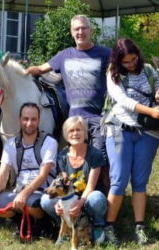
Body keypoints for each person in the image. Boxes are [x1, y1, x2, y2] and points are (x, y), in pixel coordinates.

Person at [26, 14, 111, 177]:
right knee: (77, 161)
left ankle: (101, 197)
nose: (80, 32)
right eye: (76, 29)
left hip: (97, 118)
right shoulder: (64, 55)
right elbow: (41, 69)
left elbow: (125, 63)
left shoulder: (105, 53)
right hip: (74, 118)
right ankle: (77, 195)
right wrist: (24, 71)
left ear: (90, 30)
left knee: (101, 161)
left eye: (84, 28)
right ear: (72, 32)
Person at [101, 38, 159, 245]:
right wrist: (151, 111)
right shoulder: (113, 73)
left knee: (140, 181)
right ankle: (108, 228)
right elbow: (124, 101)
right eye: (126, 62)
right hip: (120, 129)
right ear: (118, 61)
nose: (131, 64)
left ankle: (140, 228)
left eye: (133, 59)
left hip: (148, 133)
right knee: (118, 180)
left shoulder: (148, 71)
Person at [0, 102, 58, 234]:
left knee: (29, 202)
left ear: (39, 120)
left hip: (41, 190)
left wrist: (24, 194)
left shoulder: (49, 142)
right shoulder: (11, 144)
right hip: (19, 190)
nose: (29, 123)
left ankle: (43, 224)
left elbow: (43, 175)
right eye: (26, 119)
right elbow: (2, 173)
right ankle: (20, 222)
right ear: (20, 120)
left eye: (33, 119)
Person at [40, 116, 108, 243]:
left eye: (79, 130)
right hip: (70, 198)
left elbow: (90, 187)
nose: (75, 133)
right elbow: (63, 184)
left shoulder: (95, 154)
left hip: (88, 198)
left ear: (85, 133)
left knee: (96, 198)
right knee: (45, 200)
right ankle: (65, 227)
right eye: (71, 131)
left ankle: (98, 226)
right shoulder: (62, 156)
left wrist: (80, 203)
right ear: (66, 135)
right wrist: (60, 203)